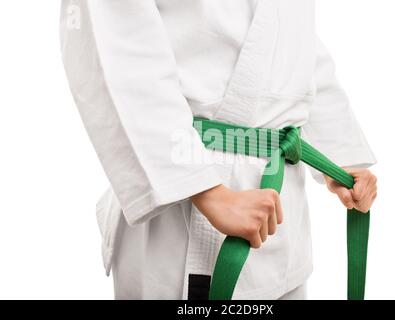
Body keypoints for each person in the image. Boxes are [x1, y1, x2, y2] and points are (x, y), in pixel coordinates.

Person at [60, 0, 377, 300]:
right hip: (187, 215)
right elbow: (116, 48)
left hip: (282, 223)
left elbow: (295, 44)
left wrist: (338, 158)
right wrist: (208, 192)